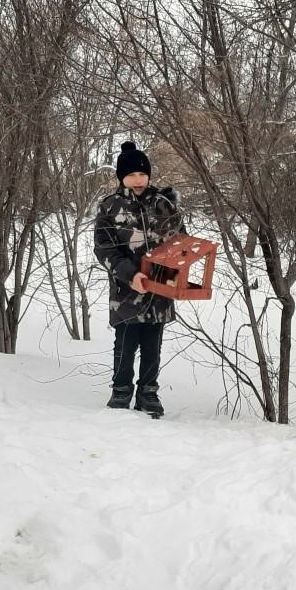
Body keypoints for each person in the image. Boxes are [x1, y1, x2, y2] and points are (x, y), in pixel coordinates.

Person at [94, 141, 183, 416]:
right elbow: (105, 249)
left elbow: (180, 243)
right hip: (126, 291)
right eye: (131, 175)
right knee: (126, 343)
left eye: (142, 174)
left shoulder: (164, 204)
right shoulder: (110, 207)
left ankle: (148, 393)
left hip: (160, 289)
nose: (138, 180)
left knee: (152, 344)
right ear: (122, 177)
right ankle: (121, 391)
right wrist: (131, 275)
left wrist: (174, 273)